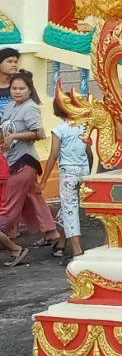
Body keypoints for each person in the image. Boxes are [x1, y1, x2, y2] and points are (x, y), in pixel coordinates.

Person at [0, 72, 54, 256]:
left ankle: (9, 240)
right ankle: (52, 233)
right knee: (34, 199)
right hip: (11, 159)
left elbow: (39, 133)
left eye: (21, 88)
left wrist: (14, 136)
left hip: (23, 161)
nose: (17, 91)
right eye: (14, 88)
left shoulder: (30, 108)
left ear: (29, 91)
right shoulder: (9, 107)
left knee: (8, 203)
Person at [46, 93, 94, 259]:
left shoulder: (59, 129)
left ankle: (76, 249)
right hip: (83, 170)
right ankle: (61, 243)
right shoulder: (83, 127)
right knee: (67, 207)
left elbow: (53, 155)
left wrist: (44, 180)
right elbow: (89, 152)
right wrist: (89, 172)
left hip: (68, 172)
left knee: (69, 209)